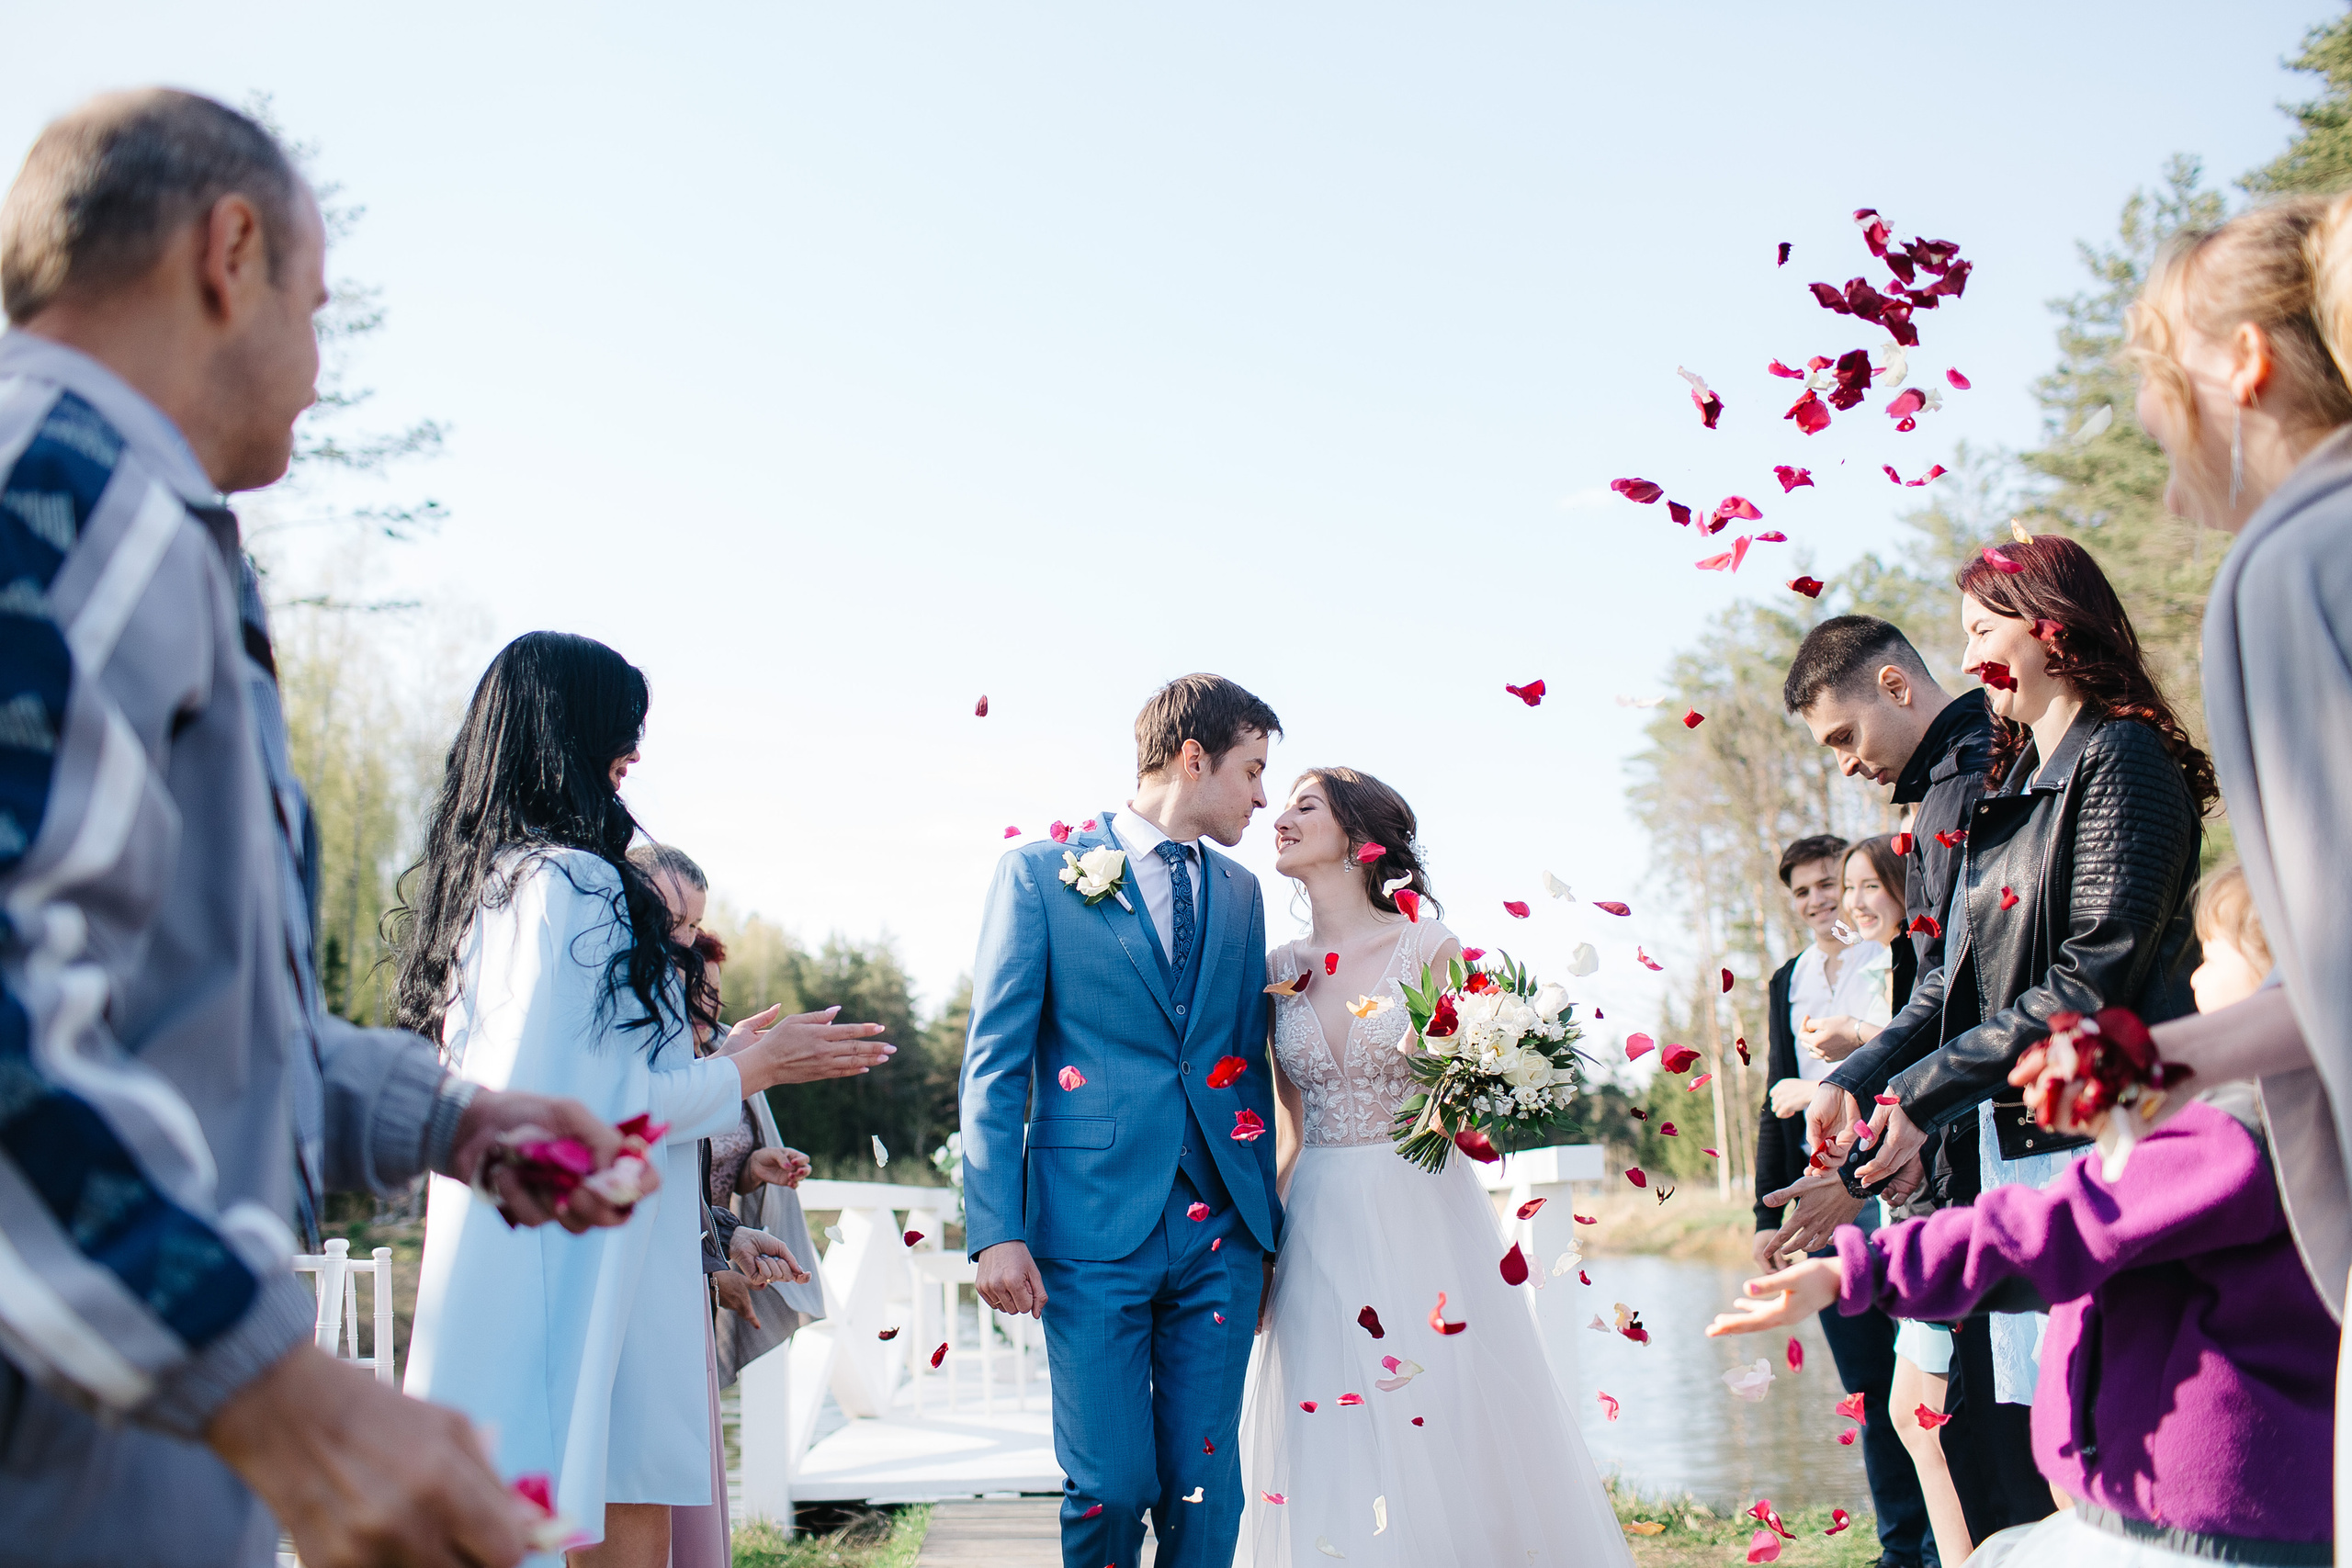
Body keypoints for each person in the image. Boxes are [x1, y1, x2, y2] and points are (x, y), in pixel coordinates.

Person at [0, 89, 649, 1568]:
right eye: (320, 304)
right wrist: (278, 1390)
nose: (316, 365)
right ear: (229, 251)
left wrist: (445, 1116)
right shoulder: (60, 498)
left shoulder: (124, 518)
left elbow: (177, 1016)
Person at [399, 632, 896, 1568]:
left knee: (547, 1491)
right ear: (572, 732)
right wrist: (751, 1072)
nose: (635, 754)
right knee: (624, 1489)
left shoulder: (495, 884)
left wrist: (730, 1060)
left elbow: (569, 1084)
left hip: (515, 1235)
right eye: (623, 728)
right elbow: (600, 1110)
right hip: (602, 1253)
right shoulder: (585, 885)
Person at [1705, 872, 2336, 1568]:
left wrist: (1861, 1268)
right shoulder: (2314, 1129)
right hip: (2265, 1508)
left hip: (2188, 1517)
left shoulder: (2228, 1136)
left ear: (2277, 982)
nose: (2192, 977)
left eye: (2213, 955)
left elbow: (2050, 1233)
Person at [1784, 536, 2211, 1544]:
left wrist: (1919, 1098)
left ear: (2049, 630)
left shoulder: (2124, 756)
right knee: (2058, 1438)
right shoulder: (2018, 780)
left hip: (2112, 1135)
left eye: (1981, 632)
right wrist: (1866, 1079)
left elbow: (2090, 976)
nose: (1969, 661)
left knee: (2109, 1443)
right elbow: (1959, 986)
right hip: (2025, 1139)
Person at [1238, 767, 1633, 1568]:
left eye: (1304, 805)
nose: (1279, 817)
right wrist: (1267, 1246)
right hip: (1316, 1212)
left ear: (1358, 839)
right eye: (1281, 804)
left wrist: (1485, 1072)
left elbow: (1469, 1104)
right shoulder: (1274, 967)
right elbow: (1289, 1126)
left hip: (1421, 1204)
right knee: (1333, 1419)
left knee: (1441, 1407)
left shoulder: (1428, 947)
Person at [2123, 191, 2352, 1564]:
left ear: (2241, 363)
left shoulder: (2287, 565)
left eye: (2157, 377)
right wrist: (2179, 1053)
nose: (2154, 421)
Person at [959, 674, 1287, 1568]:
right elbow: (994, 1066)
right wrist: (994, 1230)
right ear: (1193, 756)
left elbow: (1240, 1071)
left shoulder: (1238, 892)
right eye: (1252, 770)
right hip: (1088, 1226)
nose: (1263, 796)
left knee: (1205, 1489)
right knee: (1108, 1487)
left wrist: (1262, 1229)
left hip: (1219, 1233)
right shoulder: (1037, 876)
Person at [628, 850, 816, 1568]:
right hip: (647, 1286)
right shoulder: (637, 1029)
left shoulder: (703, 1047)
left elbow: (694, 1161)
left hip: (687, 1277)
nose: (685, 942)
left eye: (694, 924)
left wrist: (737, 1205)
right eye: (672, 922)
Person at [1752, 834, 1928, 1568]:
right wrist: (1766, 1218)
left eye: (1833, 883)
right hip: (1821, 1202)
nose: (1823, 900)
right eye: (1805, 891)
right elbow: (1774, 1099)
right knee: (1868, 1382)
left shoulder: (1892, 954)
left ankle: (1942, 1541)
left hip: (1890, 1176)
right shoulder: (1786, 980)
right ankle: (1899, 1545)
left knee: (1925, 1366)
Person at [1839, 835, 1969, 1567]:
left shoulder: (1920, 972)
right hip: (1900, 1202)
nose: (1855, 901)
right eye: (1849, 888)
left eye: (1869, 885)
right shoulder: (1887, 967)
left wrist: (1856, 1046)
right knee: (1909, 1414)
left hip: (1932, 1194)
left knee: (1924, 1418)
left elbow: (1924, 1051)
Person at [1785, 616, 1997, 1015]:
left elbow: (1950, 982)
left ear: (1895, 687)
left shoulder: (1966, 780)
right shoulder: (1947, 782)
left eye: (1844, 737)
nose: (1845, 765)